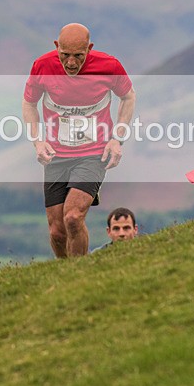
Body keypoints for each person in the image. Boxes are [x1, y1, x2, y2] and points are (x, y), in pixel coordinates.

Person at [22, 23, 136, 258]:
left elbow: (128, 96)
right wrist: (37, 140)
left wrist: (117, 139)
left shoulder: (109, 66)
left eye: (78, 56)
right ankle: (66, 277)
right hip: (56, 156)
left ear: (89, 48)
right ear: (56, 47)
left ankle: (80, 273)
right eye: (65, 55)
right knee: (56, 231)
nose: (71, 63)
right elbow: (29, 102)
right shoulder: (42, 65)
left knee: (73, 217)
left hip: (93, 154)